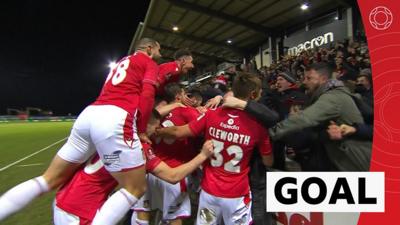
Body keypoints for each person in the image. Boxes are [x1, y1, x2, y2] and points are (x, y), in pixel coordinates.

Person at [0, 38, 161, 225]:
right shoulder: (148, 62)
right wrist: (141, 130)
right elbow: (148, 95)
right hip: (115, 117)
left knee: (48, 179)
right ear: (149, 49)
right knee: (135, 188)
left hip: (90, 114)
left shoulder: (121, 62)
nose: (159, 54)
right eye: (158, 50)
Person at [156, 72, 274, 225]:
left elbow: (179, 132)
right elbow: (268, 161)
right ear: (254, 94)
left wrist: (156, 131)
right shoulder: (258, 125)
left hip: (209, 192)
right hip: (237, 195)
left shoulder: (211, 114)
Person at [269, 62, 372, 171]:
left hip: (355, 161)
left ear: (323, 79)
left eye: (309, 78)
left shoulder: (332, 97)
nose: (304, 82)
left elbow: (304, 119)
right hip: (343, 159)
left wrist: (270, 133)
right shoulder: (326, 95)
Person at [145, 82, 201, 225]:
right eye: (183, 94)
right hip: (175, 172)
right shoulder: (187, 111)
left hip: (154, 170)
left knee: (150, 213)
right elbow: (203, 129)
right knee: (175, 218)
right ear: (178, 96)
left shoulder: (153, 115)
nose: (186, 97)